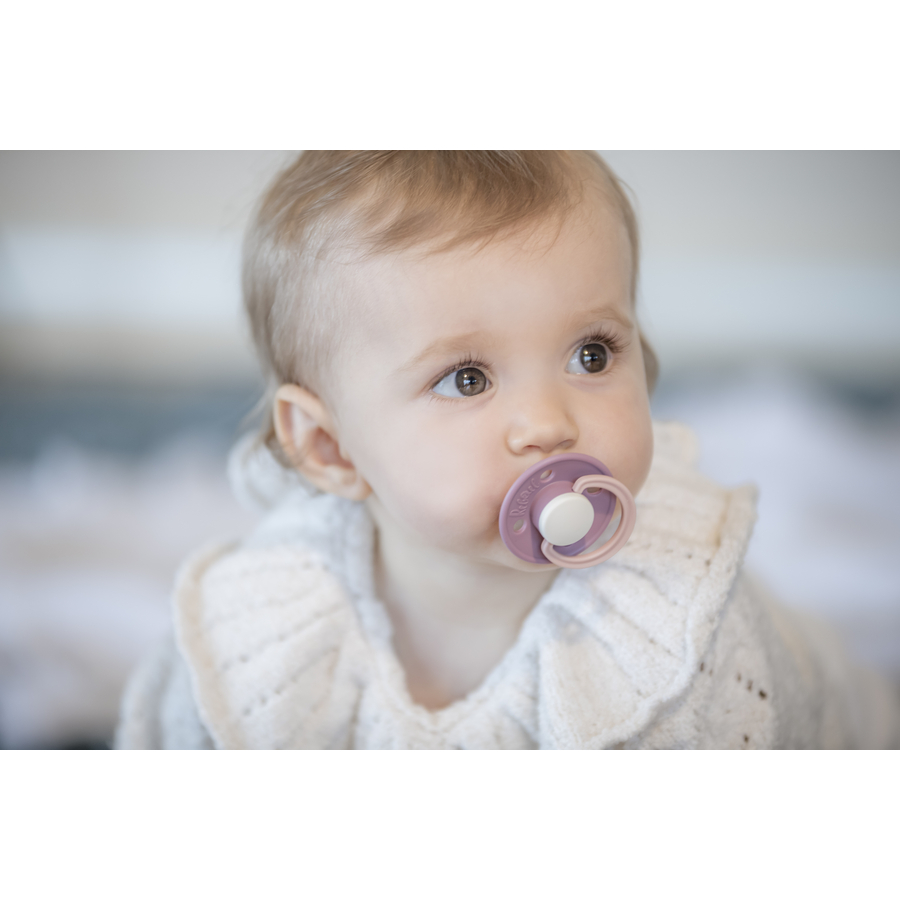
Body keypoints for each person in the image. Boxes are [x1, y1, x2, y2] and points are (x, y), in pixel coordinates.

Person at [116, 151, 900, 749]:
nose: (549, 423)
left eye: (592, 353)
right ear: (331, 449)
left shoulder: (687, 634)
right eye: (467, 378)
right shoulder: (255, 638)